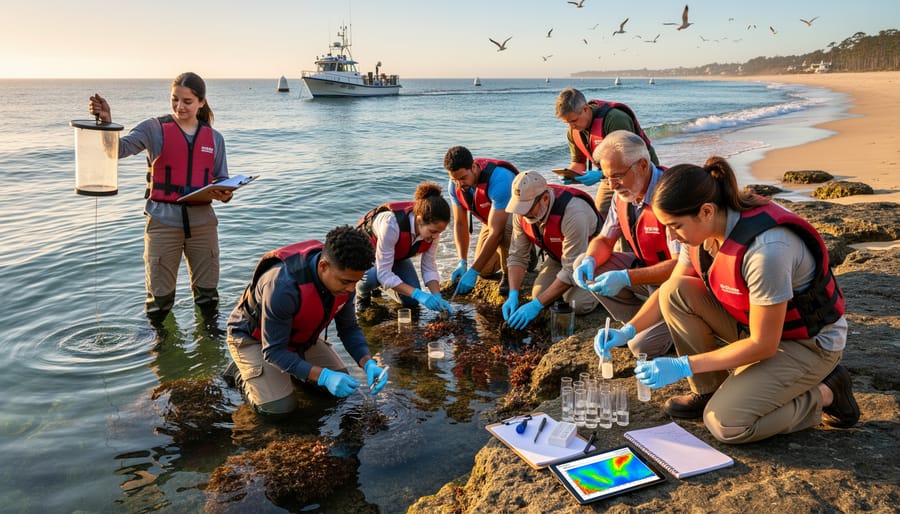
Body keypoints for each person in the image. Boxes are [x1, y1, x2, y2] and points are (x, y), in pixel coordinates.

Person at [596, 156, 858, 444]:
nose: (670, 235)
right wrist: (627, 330)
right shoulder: (700, 231)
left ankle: (826, 392)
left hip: (806, 344)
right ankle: (709, 390)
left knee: (727, 424)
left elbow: (764, 344)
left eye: (675, 226)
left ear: (706, 211)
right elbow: (672, 288)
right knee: (676, 291)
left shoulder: (766, 252)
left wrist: (685, 365)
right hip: (756, 326)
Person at [88, 72, 231, 319]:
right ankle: (159, 348)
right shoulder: (154, 128)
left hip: (203, 224)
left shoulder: (214, 138)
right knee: (160, 300)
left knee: (208, 296)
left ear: (201, 102)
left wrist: (225, 193)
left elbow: (221, 179)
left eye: (187, 101)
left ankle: (209, 345)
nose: (179, 106)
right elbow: (117, 151)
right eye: (175, 99)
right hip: (163, 223)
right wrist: (107, 123)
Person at [224, 225, 389, 417]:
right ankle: (241, 372)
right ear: (323, 266)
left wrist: (367, 362)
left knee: (339, 389)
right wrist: (324, 376)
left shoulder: (344, 282)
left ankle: (288, 373)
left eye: (356, 282)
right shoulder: (283, 286)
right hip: (256, 340)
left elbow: (349, 328)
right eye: (346, 282)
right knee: (280, 409)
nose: (352, 289)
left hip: (298, 337)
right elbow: (274, 351)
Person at [572, 131, 679, 358]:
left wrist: (626, 278)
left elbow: (682, 267)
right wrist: (590, 260)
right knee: (584, 262)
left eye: (617, 176)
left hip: (678, 288)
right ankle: (637, 323)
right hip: (647, 273)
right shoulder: (624, 194)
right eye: (606, 177)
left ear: (642, 165)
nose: (611, 185)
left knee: (641, 347)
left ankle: (666, 330)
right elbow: (605, 239)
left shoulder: (671, 195)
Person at [502, 171, 601, 330]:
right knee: (538, 294)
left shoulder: (573, 212)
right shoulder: (521, 211)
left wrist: (536, 305)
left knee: (577, 304)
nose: (523, 213)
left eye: (527, 207)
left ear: (545, 198)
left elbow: (570, 270)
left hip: (590, 258)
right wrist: (513, 293)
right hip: (559, 257)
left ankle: (608, 283)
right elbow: (517, 256)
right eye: (519, 207)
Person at [555, 87, 659, 215]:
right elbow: (578, 163)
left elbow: (630, 159)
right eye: (567, 123)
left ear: (586, 109)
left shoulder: (614, 119)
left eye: (574, 120)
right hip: (609, 174)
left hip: (639, 169)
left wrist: (599, 175)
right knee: (602, 213)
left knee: (643, 212)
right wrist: (571, 175)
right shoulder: (573, 132)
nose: (572, 126)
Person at [356, 181, 454, 315]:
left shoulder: (433, 234)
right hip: (368, 255)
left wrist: (437, 296)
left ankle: (382, 286)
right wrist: (419, 294)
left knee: (411, 301)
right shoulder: (391, 224)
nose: (436, 236)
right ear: (419, 220)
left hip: (396, 255)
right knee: (373, 277)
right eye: (432, 231)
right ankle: (363, 294)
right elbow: (383, 273)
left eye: (439, 232)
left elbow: (429, 266)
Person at [443, 146, 518, 297]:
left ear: (474, 167)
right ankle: (516, 255)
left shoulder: (500, 179)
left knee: (505, 228)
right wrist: (462, 262)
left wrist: (473, 271)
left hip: (516, 221)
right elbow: (460, 224)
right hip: (491, 220)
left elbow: (497, 232)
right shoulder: (455, 184)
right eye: (455, 179)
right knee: (484, 269)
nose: (459, 184)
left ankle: (510, 270)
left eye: (463, 178)